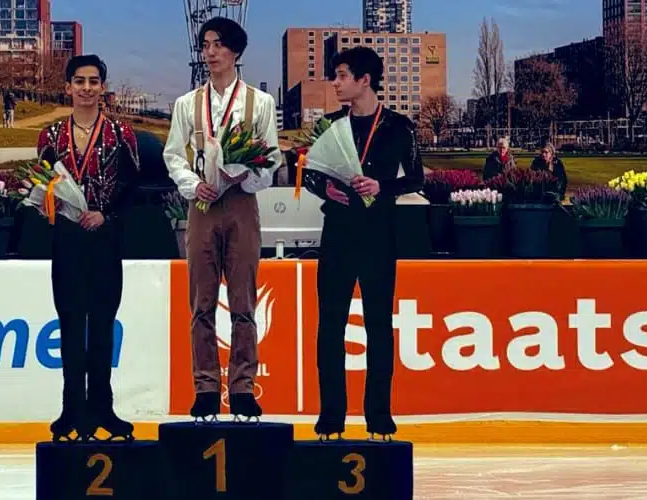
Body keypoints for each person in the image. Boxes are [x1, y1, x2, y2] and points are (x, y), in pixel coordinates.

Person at [301, 46, 424, 440]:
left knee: (378, 326)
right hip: (337, 233)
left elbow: (416, 178)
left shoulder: (399, 127)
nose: (334, 83)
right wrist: (326, 191)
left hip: (377, 234)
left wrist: (381, 186)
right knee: (330, 327)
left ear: (364, 80)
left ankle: (379, 415)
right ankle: (331, 415)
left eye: (340, 75)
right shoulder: (330, 124)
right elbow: (310, 174)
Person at [163, 17, 281, 421]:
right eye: (205, 44)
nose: (209, 52)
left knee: (244, 300)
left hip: (241, 205)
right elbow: (173, 155)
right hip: (202, 207)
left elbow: (272, 157)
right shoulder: (185, 104)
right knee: (202, 301)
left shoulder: (260, 103)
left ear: (235, 52)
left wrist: (246, 176)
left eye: (217, 45)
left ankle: (244, 387)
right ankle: (206, 387)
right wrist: (194, 184)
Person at [37, 54, 141, 441]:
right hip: (66, 238)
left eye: (93, 81)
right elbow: (43, 185)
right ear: (67, 87)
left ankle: (102, 407)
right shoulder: (49, 137)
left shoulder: (120, 133)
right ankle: (71, 410)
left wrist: (106, 214)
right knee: (69, 324)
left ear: (103, 87)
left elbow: (133, 188)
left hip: (104, 236)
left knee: (100, 324)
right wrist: (56, 208)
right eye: (78, 81)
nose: (86, 88)